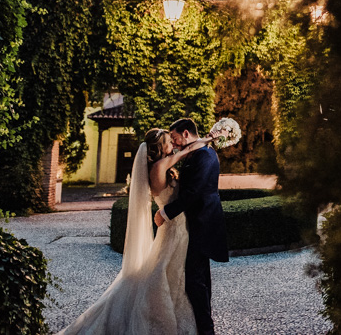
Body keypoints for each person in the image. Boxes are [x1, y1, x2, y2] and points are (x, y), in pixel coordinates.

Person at [58, 127, 219, 334]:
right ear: (160, 147)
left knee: (174, 272)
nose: (173, 144)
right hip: (174, 228)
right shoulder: (160, 166)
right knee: (165, 271)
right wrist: (210, 137)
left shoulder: (161, 165)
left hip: (177, 226)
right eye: (169, 141)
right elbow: (187, 151)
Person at [155, 118, 229, 335]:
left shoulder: (205, 155)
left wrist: (165, 213)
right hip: (193, 223)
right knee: (199, 278)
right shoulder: (195, 152)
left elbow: (193, 192)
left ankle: (206, 329)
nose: (174, 143)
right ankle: (202, 326)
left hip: (204, 221)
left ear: (186, 133)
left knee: (196, 280)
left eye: (175, 138)